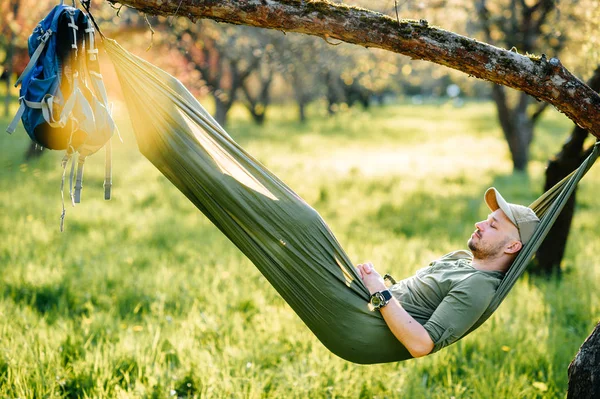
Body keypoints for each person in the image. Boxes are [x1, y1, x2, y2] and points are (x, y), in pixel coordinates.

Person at [356, 187, 540, 358]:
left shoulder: (478, 286)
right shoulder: (459, 257)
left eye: (493, 226)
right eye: (486, 219)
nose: (479, 224)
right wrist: (368, 282)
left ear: (512, 246)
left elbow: (421, 345)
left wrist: (379, 290)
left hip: (361, 327)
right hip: (361, 305)